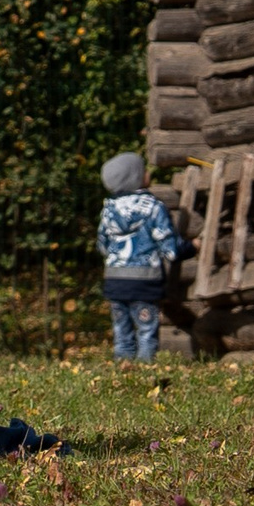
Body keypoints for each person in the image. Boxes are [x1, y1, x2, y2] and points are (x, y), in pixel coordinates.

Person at [99, 152, 180, 361]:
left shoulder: (108, 209)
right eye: (142, 169)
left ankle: (123, 372)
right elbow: (169, 248)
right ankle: (145, 372)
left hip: (115, 281)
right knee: (146, 329)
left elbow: (102, 245)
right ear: (133, 177)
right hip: (144, 282)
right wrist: (191, 247)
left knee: (121, 330)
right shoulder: (153, 207)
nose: (147, 172)